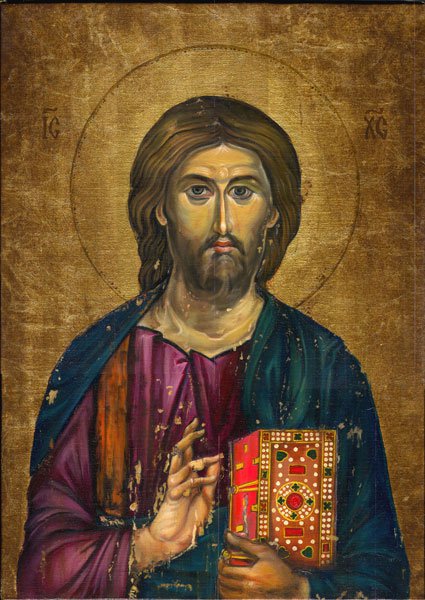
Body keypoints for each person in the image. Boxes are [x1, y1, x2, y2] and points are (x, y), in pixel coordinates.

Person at [17, 96, 409, 599]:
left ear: (274, 211)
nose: (223, 222)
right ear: (160, 207)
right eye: (198, 191)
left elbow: (382, 571)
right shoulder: (102, 364)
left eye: (243, 191)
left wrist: (299, 592)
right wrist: (147, 546)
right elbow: (40, 570)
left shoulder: (325, 366)